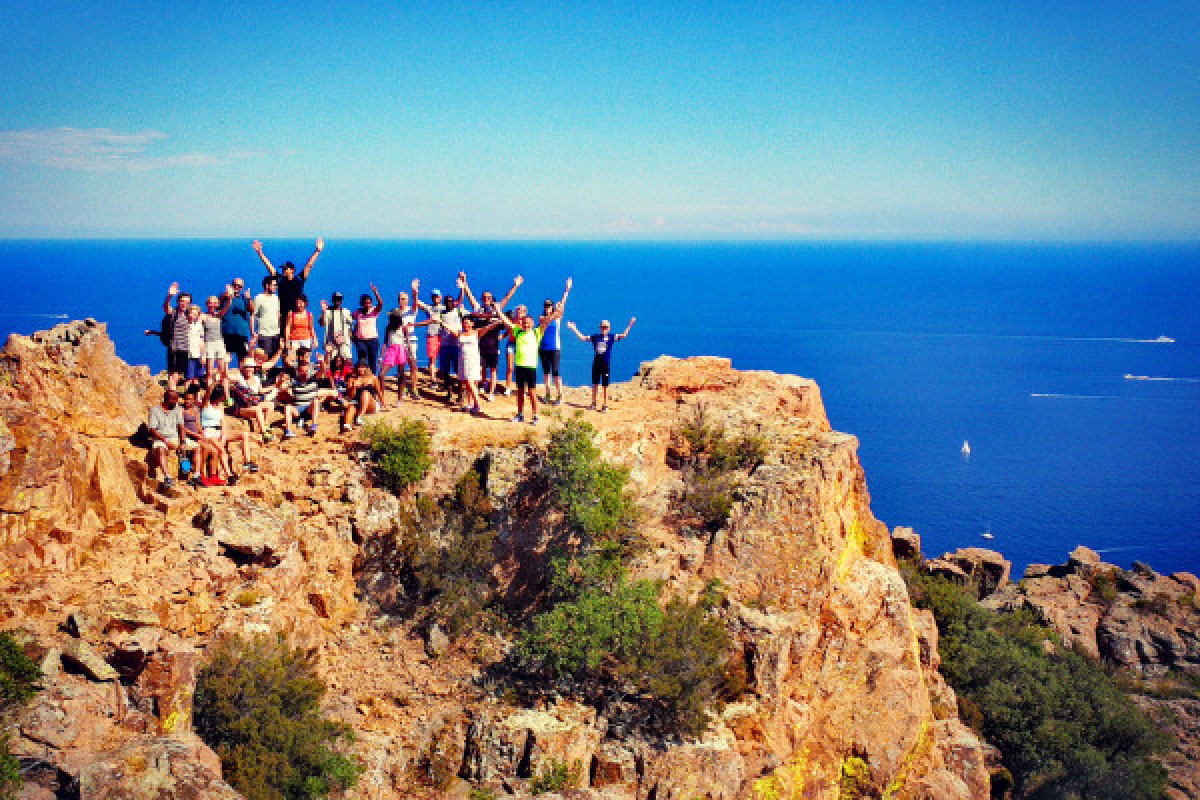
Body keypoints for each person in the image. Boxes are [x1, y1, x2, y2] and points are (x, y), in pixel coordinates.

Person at [462, 274, 523, 398]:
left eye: (489, 297)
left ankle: (491, 393)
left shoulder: (497, 309)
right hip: (480, 344)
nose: (486, 299)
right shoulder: (478, 309)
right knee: (482, 367)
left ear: (491, 299)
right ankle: (484, 384)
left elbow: (507, 297)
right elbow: (470, 297)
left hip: (494, 345)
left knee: (493, 370)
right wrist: (465, 282)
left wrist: (515, 286)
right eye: (484, 297)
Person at [495, 306, 551, 425]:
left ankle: (535, 416)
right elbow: (507, 322)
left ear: (532, 323)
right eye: (524, 323)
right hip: (519, 366)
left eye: (528, 323)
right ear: (522, 323)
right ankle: (520, 414)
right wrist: (499, 311)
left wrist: (556, 311)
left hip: (530, 368)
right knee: (520, 392)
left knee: (532, 393)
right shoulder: (517, 331)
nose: (526, 325)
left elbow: (547, 322)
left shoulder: (537, 333)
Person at [567, 317, 636, 411]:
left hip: (605, 364)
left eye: (606, 327)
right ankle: (593, 403)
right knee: (595, 384)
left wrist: (630, 324)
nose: (604, 329)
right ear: (600, 328)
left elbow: (624, 335)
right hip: (596, 363)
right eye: (603, 327)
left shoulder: (612, 337)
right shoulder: (595, 337)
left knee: (605, 385)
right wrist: (573, 328)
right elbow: (582, 338)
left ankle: (605, 405)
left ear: (609, 328)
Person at [253, 238, 324, 327]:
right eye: (283, 269)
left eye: (286, 269)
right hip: (282, 316)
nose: (284, 270)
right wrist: (259, 252)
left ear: (292, 270)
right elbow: (269, 266)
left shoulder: (299, 280)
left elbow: (309, 266)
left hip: (296, 315)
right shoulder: (280, 280)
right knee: (282, 338)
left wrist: (317, 251)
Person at [446, 314, 505, 415]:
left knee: (470, 381)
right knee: (467, 383)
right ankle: (470, 403)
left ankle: (477, 404)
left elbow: (488, 327)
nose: (466, 324)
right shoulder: (460, 333)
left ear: (472, 323)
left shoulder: (477, 332)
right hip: (462, 361)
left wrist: (498, 322)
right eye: (464, 323)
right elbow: (450, 329)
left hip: (473, 361)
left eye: (468, 323)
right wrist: (440, 322)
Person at [201, 386, 258, 484]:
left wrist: (222, 435)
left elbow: (222, 421)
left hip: (218, 431)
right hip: (208, 432)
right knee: (221, 449)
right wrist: (212, 384)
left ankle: (247, 462)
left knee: (244, 435)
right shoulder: (206, 405)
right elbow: (207, 394)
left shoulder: (220, 406)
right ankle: (229, 475)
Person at [538, 278, 573, 405]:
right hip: (543, 348)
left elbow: (562, 305)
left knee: (556, 372)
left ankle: (560, 395)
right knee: (546, 372)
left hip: (555, 348)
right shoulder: (542, 318)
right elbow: (546, 320)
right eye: (546, 306)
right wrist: (556, 311)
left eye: (549, 306)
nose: (547, 308)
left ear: (552, 306)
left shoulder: (557, 319)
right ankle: (547, 394)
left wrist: (567, 290)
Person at [146, 389, 188, 490]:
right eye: (174, 399)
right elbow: (152, 429)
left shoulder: (177, 410)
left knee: (197, 448)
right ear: (167, 399)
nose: (176, 402)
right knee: (161, 450)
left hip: (174, 438)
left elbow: (181, 428)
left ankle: (192, 475)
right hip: (160, 439)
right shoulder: (155, 411)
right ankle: (167, 477)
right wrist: (164, 440)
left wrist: (182, 442)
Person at [231, 360, 278, 442]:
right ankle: (264, 434)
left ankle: (265, 425)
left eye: (251, 367)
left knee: (270, 405)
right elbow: (226, 377)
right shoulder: (239, 378)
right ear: (244, 368)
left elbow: (261, 391)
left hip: (253, 403)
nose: (249, 369)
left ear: (253, 368)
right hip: (242, 407)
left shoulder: (256, 378)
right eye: (247, 367)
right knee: (257, 410)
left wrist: (275, 386)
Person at [200, 291, 234, 392]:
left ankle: (224, 394)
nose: (213, 305)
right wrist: (202, 352)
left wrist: (230, 298)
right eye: (211, 302)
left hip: (219, 342)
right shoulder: (203, 316)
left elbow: (227, 307)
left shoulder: (218, 315)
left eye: (215, 303)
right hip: (209, 344)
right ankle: (209, 394)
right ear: (207, 304)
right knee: (209, 371)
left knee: (222, 370)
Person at [160, 283, 192, 389]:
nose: (184, 304)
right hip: (174, 348)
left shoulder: (190, 315)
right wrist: (169, 296)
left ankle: (174, 396)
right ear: (178, 301)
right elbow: (166, 308)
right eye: (182, 301)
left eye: (187, 302)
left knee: (178, 375)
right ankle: (171, 397)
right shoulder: (173, 312)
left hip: (185, 349)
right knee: (173, 375)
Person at [279, 361, 323, 438]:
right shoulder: (294, 381)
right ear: (298, 371)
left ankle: (314, 426)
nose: (304, 373)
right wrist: (281, 380)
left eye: (306, 371)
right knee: (287, 407)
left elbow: (322, 371)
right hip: (297, 409)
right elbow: (281, 387)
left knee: (316, 401)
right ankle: (288, 431)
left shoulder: (313, 378)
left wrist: (322, 362)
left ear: (308, 369)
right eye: (302, 371)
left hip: (309, 408)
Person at [342, 361, 386, 432]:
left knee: (365, 393)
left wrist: (384, 404)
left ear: (366, 368)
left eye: (362, 367)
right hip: (358, 403)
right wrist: (354, 387)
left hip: (371, 404)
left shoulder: (373, 378)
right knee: (351, 407)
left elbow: (379, 392)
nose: (360, 369)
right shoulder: (352, 379)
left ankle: (360, 417)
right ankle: (347, 424)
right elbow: (350, 396)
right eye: (359, 367)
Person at [220, 279, 255, 366]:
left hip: (241, 332)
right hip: (226, 331)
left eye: (239, 286)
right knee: (226, 356)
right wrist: (226, 295)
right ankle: (225, 376)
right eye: (235, 285)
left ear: (242, 288)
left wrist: (249, 298)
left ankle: (243, 377)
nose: (236, 287)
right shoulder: (224, 297)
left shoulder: (244, 298)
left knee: (242, 357)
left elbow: (252, 311)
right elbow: (217, 304)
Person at [351, 284, 384, 373]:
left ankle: (372, 379)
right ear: (362, 303)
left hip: (372, 339)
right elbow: (349, 320)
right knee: (362, 360)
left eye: (369, 303)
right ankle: (361, 378)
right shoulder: (357, 312)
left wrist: (376, 293)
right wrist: (351, 334)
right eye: (366, 303)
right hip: (360, 340)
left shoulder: (374, 311)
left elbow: (381, 304)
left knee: (372, 360)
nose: (367, 305)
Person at [252, 275, 282, 358]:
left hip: (276, 333)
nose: (276, 287)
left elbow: (278, 314)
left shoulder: (276, 298)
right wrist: (253, 332)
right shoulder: (259, 298)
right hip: (264, 334)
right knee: (265, 358)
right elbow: (252, 315)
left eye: (276, 285)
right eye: (274, 285)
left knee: (274, 358)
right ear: (267, 285)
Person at [320, 292, 354, 361]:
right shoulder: (328, 312)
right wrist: (323, 311)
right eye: (335, 299)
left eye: (339, 300)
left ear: (341, 301)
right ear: (332, 300)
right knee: (331, 361)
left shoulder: (346, 312)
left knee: (347, 361)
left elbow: (350, 327)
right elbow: (322, 323)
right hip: (331, 343)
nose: (337, 301)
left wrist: (350, 338)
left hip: (344, 343)